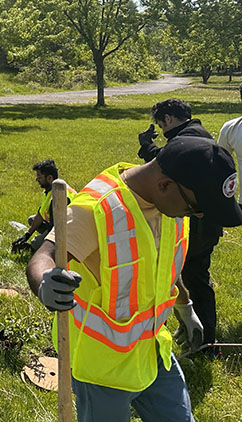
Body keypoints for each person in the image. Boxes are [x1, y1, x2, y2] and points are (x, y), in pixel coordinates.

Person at [26, 136, 242, 422]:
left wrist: (185, 308)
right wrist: (44, 283)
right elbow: (44, 255)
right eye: (195, 208)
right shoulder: (98, 208)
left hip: (152, 350)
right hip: (103, 368)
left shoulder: (171, 205)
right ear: (165, 185)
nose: (197, 215)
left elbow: (162, 266)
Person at [137, 98, 222, 348]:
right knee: (193, 277)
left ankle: (201, 338)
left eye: (161, 124)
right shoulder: (197, 134)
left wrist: (147, 147)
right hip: (206, 224)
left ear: (169, 119)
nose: (162, 130)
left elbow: (166, 169)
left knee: (177, 276)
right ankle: (198, 334)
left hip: (196, 224)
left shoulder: (188, 141)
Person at [12, 160, 75, 253]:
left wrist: (38, 242)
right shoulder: (50, 190)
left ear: (49, 178)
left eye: (39, 177)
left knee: (35, 243)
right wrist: (27, 235)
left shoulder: (58, 198)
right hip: (56, 224)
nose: (37, 179)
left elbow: (56, 228)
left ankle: (36, 249)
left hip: (68, 231)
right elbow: (41, 214)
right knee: (32, 220)